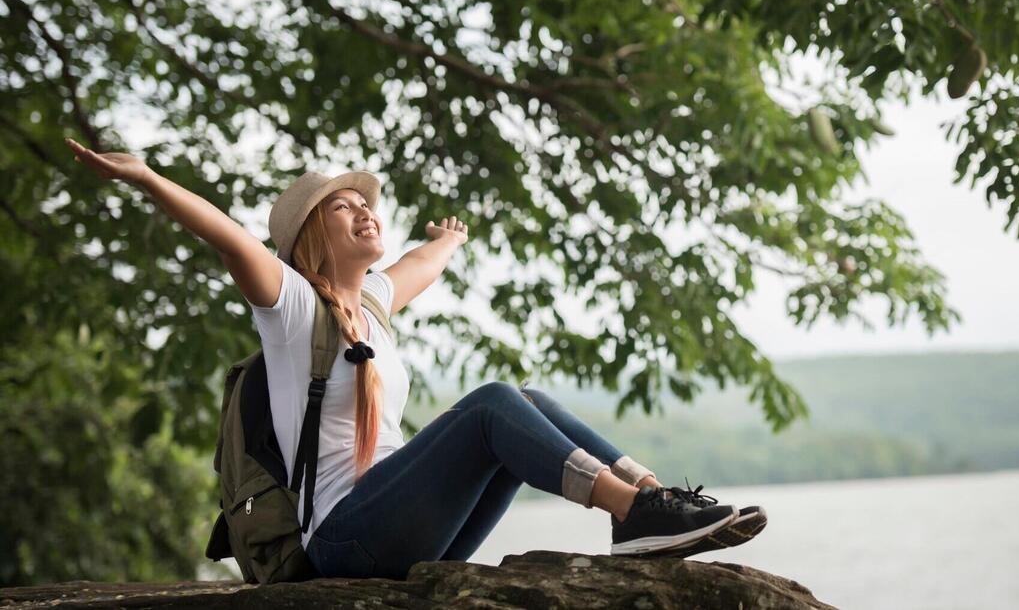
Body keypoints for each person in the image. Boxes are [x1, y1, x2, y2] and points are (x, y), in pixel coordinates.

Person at [65, 136, 767, 579]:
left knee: (528, 402)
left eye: (367, 204)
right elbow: (231, 240)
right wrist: (149, 178)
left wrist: (451, 240)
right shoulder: (292, 310)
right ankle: (633, 511)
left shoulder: (371, 305)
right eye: (343, 208)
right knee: (493, 403)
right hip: (339, 544)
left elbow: (416, 264)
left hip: (400, 536)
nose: (365, 210)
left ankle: (645, 500)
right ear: (310, 237)